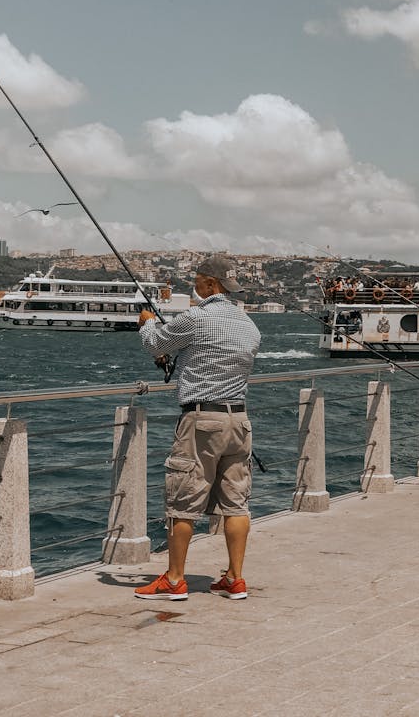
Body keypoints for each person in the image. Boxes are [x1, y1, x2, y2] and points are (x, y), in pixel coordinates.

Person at [134, 256, 261, 602]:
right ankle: (235, 579)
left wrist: (146, 322)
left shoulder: (198, 317)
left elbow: (156, 344)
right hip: (239, 420)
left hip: (202, 420)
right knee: (236, 503)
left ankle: (175, 580)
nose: (195, 286)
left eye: (198, 281)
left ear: (210, 285)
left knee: (183, 499)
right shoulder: (249, 325)